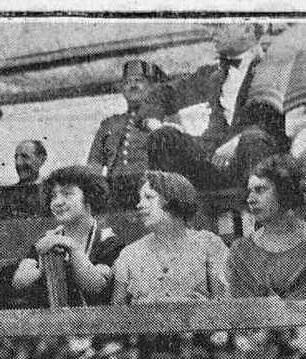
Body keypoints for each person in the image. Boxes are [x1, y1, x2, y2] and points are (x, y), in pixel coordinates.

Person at [147, 21, 279, 192]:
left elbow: (276, 121)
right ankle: (172, 213)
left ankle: (254, 213)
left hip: (252, 155)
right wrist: (154, 124)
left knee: (253, 142)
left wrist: (237, 141)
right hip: (211, 158)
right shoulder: (211, 74)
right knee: (163, 137)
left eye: (220, 26)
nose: (212, 33)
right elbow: (163, 94)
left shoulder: (273, 68)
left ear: (247, 30)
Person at [227, 154, 306, 300]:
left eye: (260, 190)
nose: (250, 199)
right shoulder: (241, 252)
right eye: (249, 192)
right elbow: (234, 315)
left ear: (284, 190)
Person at [11, 165, 122, 307]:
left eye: (67, 194)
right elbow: (18, 282)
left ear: (89, 197)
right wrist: (39, 268)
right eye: (53, 196)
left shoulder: (108, 242)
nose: (57, 202)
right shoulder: (46, 239)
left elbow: (96, 286)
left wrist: (71, 246)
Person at [112, 170, 229, 301]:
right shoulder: (130, 254)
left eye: (149, 197)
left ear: (174, 200)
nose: (140, 205)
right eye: (140, 199)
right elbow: (116, 314)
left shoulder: (209, 245)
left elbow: (223, 306)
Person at [87, 62, 175, 208]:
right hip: (115, 195)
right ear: (122, 89)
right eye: (127, 82)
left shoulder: (164, 119)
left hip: (151, 191)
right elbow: (93, 165)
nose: (133, 85)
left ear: (151, 87)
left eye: (139, 80)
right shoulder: (109, 124)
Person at [0, 140, 48, 220]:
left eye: (25, 157)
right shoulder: (4, 194)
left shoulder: (50, 193)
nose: (18, 163)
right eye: (16, 157)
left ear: (41, 160)